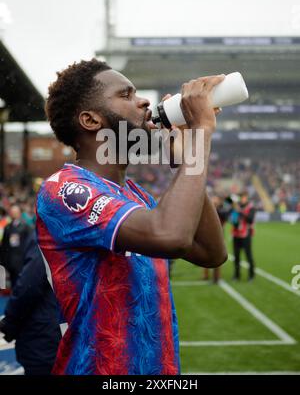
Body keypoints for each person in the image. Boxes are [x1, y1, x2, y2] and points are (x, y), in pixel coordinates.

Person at [36, 59, 227, 375]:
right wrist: (199, 135)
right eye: (126, 95)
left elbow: (211, 253)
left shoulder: (137, 196)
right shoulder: (66, 189)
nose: (144, 101)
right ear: (90, 119)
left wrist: (184, 160)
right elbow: (170, 236)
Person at [0, 231, 61, 375]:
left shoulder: (47, 234)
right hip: (64, 326)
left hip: (44, 333)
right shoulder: (75, 229)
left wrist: (10, 323)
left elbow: (28, 285)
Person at [202, 195, 231, 283]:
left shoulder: (222, 210)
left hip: (218, 236)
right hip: (208, 234)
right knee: (205, 255)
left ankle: (216, 277)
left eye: (216, 200)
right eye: (213, 200)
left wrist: (215, 208)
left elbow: (224, 217)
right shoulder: (208, 209)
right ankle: (206, 275)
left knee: (217, 256)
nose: (214, 201)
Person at [1, 205, 31, 288]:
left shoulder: (26, 227)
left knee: (21, 283)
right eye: (12, 212)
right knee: (13, 283)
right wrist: (3, 261)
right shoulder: (7, 227)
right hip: (10, 261)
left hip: (22, 260)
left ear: (19, 213)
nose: (13, 214)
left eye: (15, 212)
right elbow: (4, 246)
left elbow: (29, 245)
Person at [230, 192, 256, 281]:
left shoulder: (251, 208)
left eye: (244, 197)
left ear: (247, 198)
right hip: (236, 235)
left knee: (248, 256)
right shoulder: (236, 207)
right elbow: (233, 220)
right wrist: (235, 218)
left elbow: (250, 220)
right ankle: (237, 275)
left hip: (246, 235)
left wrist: (240, 212)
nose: (242, 199)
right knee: (236, 256)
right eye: (241, 197)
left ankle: (251, 275)